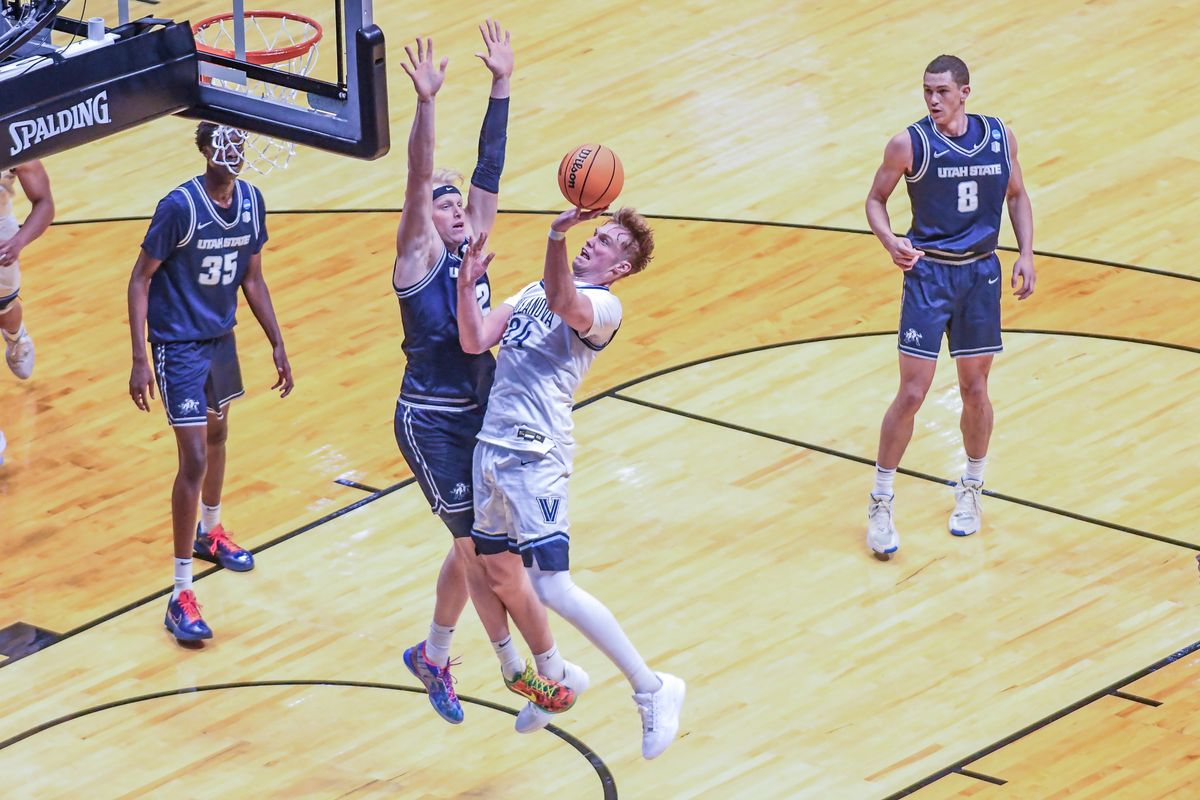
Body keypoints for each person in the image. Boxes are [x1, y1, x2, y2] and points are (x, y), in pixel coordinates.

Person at [456, 207, 686, 760]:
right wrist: (467, 288)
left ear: (621, 268)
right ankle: (558, 675)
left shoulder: (605, 307)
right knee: (497, 571)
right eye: (592, 235)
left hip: (537, 452)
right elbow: (475, 338)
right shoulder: (536, 287)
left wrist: (556, 233)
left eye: (604, 242)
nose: (592, 244)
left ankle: (653, 688)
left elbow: (565, 302)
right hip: (492, 449)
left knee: (552, 587)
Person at [394, 27, 576, 722]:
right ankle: (512, 670)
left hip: (481, 410)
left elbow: (489, 169)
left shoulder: (474, 238)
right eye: (444, 205)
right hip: (432, 419)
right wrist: (427, 103)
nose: (456, 209)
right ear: (426, 220)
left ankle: (433, 655)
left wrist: (501, 85)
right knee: (475, 547)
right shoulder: (417, 258)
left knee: (471, 543)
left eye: (456, 204)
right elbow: (420, 176)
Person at [863, 54, 1035, 559]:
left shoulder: (1000, 137)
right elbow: (875, 199)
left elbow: (1018, 196)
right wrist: (889, 239)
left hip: (980, 274)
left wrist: (1025, 252)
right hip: (929, 274)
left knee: (975, 387)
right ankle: (880, 498)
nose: (932, 100)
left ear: (965, 92)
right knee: (913, 393)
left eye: (942, 91)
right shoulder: (908, 143)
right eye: (926, 91)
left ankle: (973, 487)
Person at [128, 122, 294, 641]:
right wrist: (139, 356)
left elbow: (252, 277)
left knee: (220, 437)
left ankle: (211, 532)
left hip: (220, 338)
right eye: (222, 142)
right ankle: (179, 593)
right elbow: (139, 279)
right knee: (194, 457)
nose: (233, 150)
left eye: (238, 142)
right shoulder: (179, 207)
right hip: (178, 346)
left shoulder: (252, 201)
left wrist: (277, 339)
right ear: (203, 150)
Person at [0, 160, 55, 462]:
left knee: (5, 310)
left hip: (1, 235)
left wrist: (19, 241)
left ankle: (15, 335)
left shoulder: (10, 131)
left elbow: (44, 202)